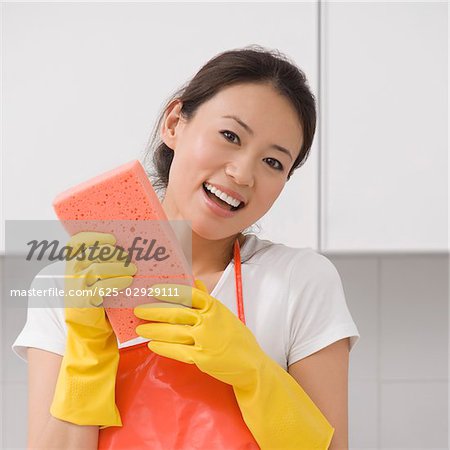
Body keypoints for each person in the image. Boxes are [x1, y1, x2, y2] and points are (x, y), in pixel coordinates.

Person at [13, 45, 360, 449]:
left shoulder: (301, 281)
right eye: (230, 136)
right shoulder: (67, 287)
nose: (242, 172)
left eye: (273, 162)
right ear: (175, 123)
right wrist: (86, 351)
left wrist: (254, 373)